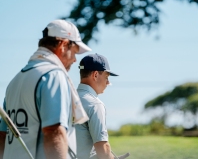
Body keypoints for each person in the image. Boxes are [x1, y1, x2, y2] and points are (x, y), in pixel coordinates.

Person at [0, 19, 90, 159]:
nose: (74, 60)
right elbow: (54, 132)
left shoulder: (14, 81)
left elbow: (3, 135)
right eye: (74, 52)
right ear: (63, 45)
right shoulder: (53, 75)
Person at [76, 53, 118, 159]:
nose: (108, 82)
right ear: (95, 75)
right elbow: (102, 149)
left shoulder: (64, 98)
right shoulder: (95, 104)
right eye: (106, 77)